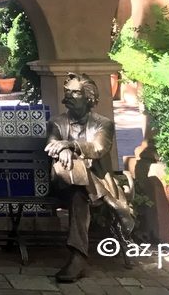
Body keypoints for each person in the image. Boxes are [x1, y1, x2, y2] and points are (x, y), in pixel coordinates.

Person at [44, 73, 134, 283]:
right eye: (68, 92)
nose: (69, 95)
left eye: (76, 92)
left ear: (89, 98)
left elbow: (98, 148)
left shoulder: (104, 124)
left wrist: (71, 146)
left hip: (88, 187)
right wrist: (62, 151)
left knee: (79, 196)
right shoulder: (56, 122)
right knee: (74, 181)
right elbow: (51, 144)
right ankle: (116, 205)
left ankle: (78, 258)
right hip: (62, 182)